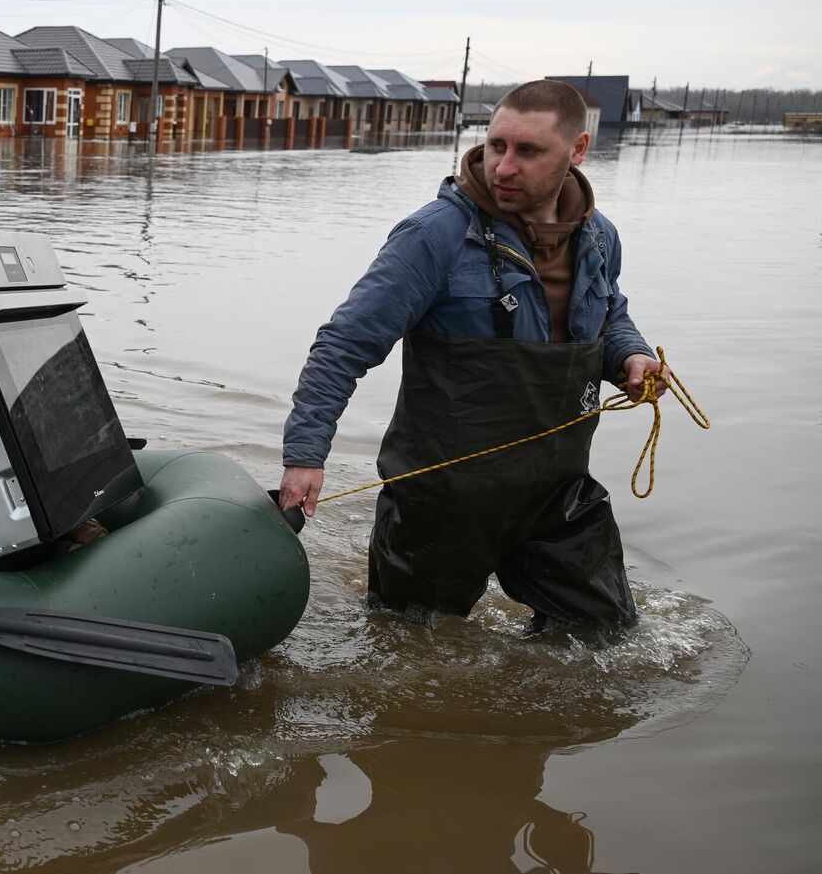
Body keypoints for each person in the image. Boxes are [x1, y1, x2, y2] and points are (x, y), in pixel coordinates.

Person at [279, 80, 670, 630]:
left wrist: (630, 358)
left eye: (528, 151)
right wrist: (305, 453)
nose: (503, 168)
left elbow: (610, 316)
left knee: (605, 637)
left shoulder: (599, 238)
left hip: (558, 493)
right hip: (441, 499)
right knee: (409, 651)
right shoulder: (433, 236)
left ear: (577, 150)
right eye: (496, 146)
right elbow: (343, 345)